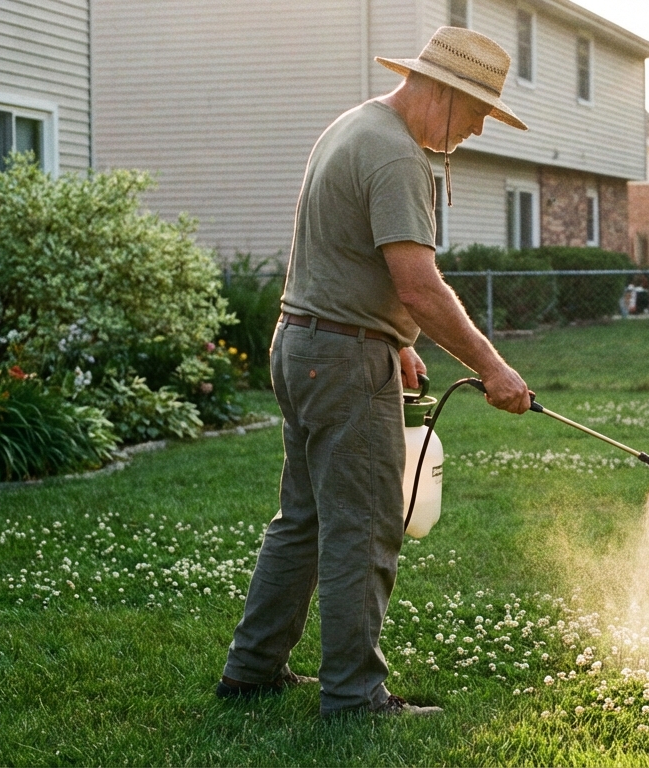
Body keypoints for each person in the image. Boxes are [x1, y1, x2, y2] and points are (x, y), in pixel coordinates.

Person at [215, 27, 532, 718]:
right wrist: (492, 365)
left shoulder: (355, 125)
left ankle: (252, 668)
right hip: (342, 360)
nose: (478, 129)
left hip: (301, 343)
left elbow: (348, 256)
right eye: (478, 112)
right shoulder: (396, 156)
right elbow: (419, 284)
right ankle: (355, 697)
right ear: (446, 92)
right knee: (363, 524)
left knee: (302, 519)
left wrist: (397, 337)